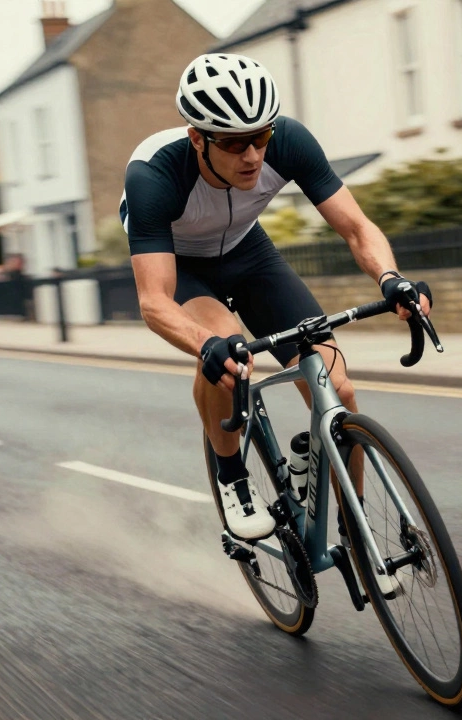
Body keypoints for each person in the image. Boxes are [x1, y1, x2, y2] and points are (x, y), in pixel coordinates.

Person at [120, 54, 432, 551]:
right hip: (182, 265)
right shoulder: (154, 176)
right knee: (229, 354)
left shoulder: (288, 141)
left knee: (339, 389)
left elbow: (355, 227)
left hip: (247, 251)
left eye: (260, 137)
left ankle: (354, 527)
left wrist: (391, 279)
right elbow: (155, 301)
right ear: (198, 138)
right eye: (234, 143)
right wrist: (206, 345)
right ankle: (232, 478)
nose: (252, 156)